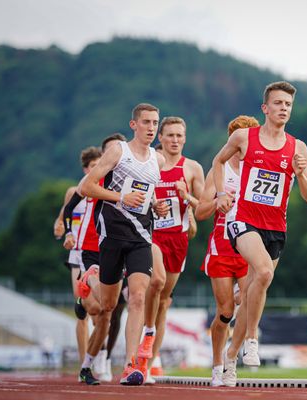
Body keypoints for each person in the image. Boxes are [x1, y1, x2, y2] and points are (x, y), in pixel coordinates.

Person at [211, 82, 307, 386]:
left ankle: (231, 356)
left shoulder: (298, 148)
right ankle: (253, 339)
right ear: (265, 108)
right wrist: (220, 194)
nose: (284, 108)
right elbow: (218, 162)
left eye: (288, 104)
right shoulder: (244, 137)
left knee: (254, 289)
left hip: (276, 228)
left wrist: (301, 172)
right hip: (243, 221)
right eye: (279, 103)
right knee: (264, 272)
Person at [79, 103, 169, 386]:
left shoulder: (159, 159)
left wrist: (156, 205)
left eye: (155, 123)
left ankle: (131, 365)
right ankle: (91, 277)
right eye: (146, 122)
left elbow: (146, 194)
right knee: (108, 304)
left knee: (138, 297)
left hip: (141, 236)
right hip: (113, 234)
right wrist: (119, 198)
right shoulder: (119, 150)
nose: (151, 128)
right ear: (134, 125)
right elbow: (86, 187)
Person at [137, 116, 204, 384]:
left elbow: (205, 208)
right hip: (149, 234)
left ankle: (149, 364)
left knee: (164, 302)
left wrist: (185, 195)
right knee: (157, 280)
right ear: (160, 138)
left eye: (179, 135)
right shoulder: (148, 161)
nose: (175, 140)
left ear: (185, 138)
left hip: (178, 240)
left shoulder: (193, 168)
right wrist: (153, 204)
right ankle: (147, 331)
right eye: (170, 135)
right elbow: (134, 194)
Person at [195, 115, 259, 386]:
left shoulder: (257, 169)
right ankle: (216, 364)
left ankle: (231, 363)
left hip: (248, 245)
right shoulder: (219, 171)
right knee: (225, 312)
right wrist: (219, 201)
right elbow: (200, 212)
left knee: (247, 299)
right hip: (221, 245)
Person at [63, 134, 127, 385]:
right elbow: (69, 209)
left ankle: (87, 367)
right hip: (89, 249)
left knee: (107, 314)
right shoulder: (92, 181)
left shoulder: (131, 179)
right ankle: (84, 291)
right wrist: (68, 232)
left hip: (116, 248)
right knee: (95, 308)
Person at [52, 146, 101, 369]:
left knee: (97, 309)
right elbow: (62, 219)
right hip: (77, 252)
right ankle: (84, 361)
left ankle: (96, 357)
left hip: (97, 251)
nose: (96, 169)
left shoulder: (102, 190)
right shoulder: (75, 192)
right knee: (81, 307)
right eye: (92, 166)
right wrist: (61, 230)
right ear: (85, 169)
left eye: (99, 165)